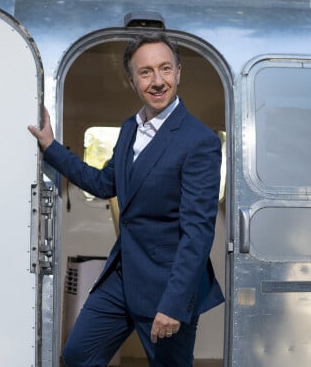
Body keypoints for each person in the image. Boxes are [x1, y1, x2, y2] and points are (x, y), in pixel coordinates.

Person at [28, 33, 224, 367]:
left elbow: (198, 233)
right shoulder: (130, 128)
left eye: (165, 69)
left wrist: (174, 304)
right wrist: (52, 148)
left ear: (179, 72)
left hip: (168, 285)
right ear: (131, 80)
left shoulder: (199, 141)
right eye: (146, 72)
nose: (158, 81)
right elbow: (104, 184)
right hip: (123, 274)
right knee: (78, 354)